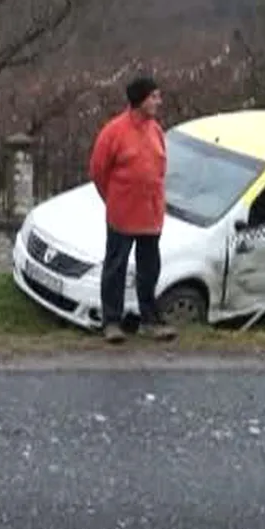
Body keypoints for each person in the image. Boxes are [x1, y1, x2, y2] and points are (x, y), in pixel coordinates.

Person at [88, 76, 179, 344]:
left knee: (149, 269)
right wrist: (114, 198)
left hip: (150, 216)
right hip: (123, 215)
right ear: (140, 100)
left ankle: (150, 319)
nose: (158, 102)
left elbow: (160, 170)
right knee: (116, 267)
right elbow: (98, 171)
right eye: (154, 97)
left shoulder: (156, 131)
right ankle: (112, 321)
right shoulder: (114, 132)